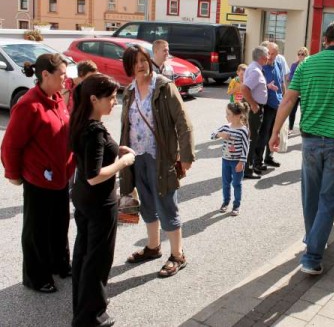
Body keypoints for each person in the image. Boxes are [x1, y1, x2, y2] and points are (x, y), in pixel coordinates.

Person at [268, 21, 334, 275]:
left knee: (311, 197)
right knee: (329, 200)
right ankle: (312, 256)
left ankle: (312, 240)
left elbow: (288, 100)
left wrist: (274, 133)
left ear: (325, 40)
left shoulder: (307, 65)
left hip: (311, 142)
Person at [119, 44, 195, 278]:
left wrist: (186, 155)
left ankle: (178, 254)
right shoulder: (129, 91)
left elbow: (184, 122)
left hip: (160, 157)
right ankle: (153, 247)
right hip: (136, 156)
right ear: (129, 67)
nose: (141, 65)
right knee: (147, 204)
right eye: (136, 62)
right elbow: (126, 126)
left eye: (144, 60)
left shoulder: (163, 86)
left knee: (166, 204)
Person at [1, 53, 74, 293]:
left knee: (59, 225)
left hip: (60, 178)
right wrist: (13, 173)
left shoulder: (57, 98)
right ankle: (37, 277)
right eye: (62, 74)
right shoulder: (28, 105)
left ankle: (60, 265)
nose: (66, 78)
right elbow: (11, 144)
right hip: (38, 180)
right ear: (45, 75)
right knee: (37, 231)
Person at [69, 74, 135, 327]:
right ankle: (91, 317)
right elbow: (94, 176)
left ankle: (82, 308)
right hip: (99, 201)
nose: (115, 102)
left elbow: (89, 157)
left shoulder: (80, 121)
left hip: (83, 199)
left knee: (84, 254)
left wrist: (114, 150)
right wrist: (123, 162)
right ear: (94, 99)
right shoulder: (94, 129)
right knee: (97, 259)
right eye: (110, 98)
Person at [211, 102, 250, 216]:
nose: (226, 116)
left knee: (237, 183)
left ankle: (236, 205)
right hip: (225, 160)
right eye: (226, 114)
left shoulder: (243, 130)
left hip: (237, 162)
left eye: (228, 114)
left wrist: (241, 162)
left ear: (238, 115)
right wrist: (220, 134)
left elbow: (246, 147)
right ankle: (225, 202)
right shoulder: (225, 127)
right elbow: (212, 135)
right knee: (225, 183)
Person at [255, 44, 285, 171]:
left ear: (277, 54)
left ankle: (269, 157)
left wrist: (284, 98)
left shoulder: (278, 64)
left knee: (274, 132)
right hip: (267, 105)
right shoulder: (261, 67)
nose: (270, 56)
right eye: (269, 53)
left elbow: (281, 82)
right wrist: (267, 86)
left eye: (273, 54)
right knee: (263, 134)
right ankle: (257, 161)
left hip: (277, 104)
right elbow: (257, 85)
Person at [241, 46, 269, 179]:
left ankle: (247, 167)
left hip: (255, 108)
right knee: (251, 139)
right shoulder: (256, 71)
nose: (269, 57)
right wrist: (253, 104)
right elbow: (244, 88)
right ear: (262, 57)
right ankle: (247, 169)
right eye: (267, 54)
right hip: (254, 110)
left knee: (251, 138)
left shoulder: (254, 68)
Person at [288, 47, 308, 131]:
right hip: (295, 91)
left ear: (306, 55)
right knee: (292, 110)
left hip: (304, 92)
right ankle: (290, 128)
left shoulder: (308, 65)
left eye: (302, 54)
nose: (300, 56)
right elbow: (290, 77)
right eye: (299, 54)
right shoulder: (294, 65)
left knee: (304, 110)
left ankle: (302, 127)